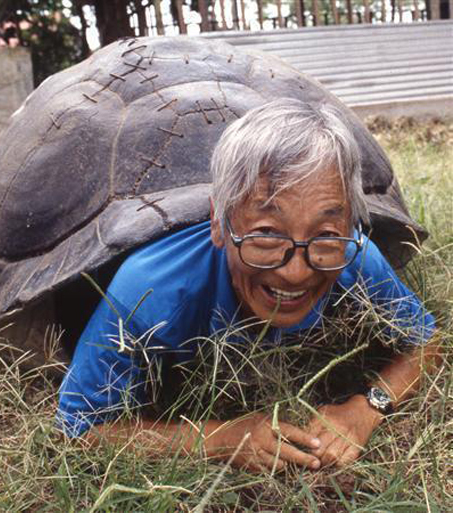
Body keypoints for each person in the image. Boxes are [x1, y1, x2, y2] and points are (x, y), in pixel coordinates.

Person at [57, 98, 438, 471]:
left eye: (324, 233)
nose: (296, 272)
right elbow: (81, 429)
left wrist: (368, 407)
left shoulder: (352, 255)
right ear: (219, 224)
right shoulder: (150, 289)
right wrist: (218, 439)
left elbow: (428, 342)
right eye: (267, 235)